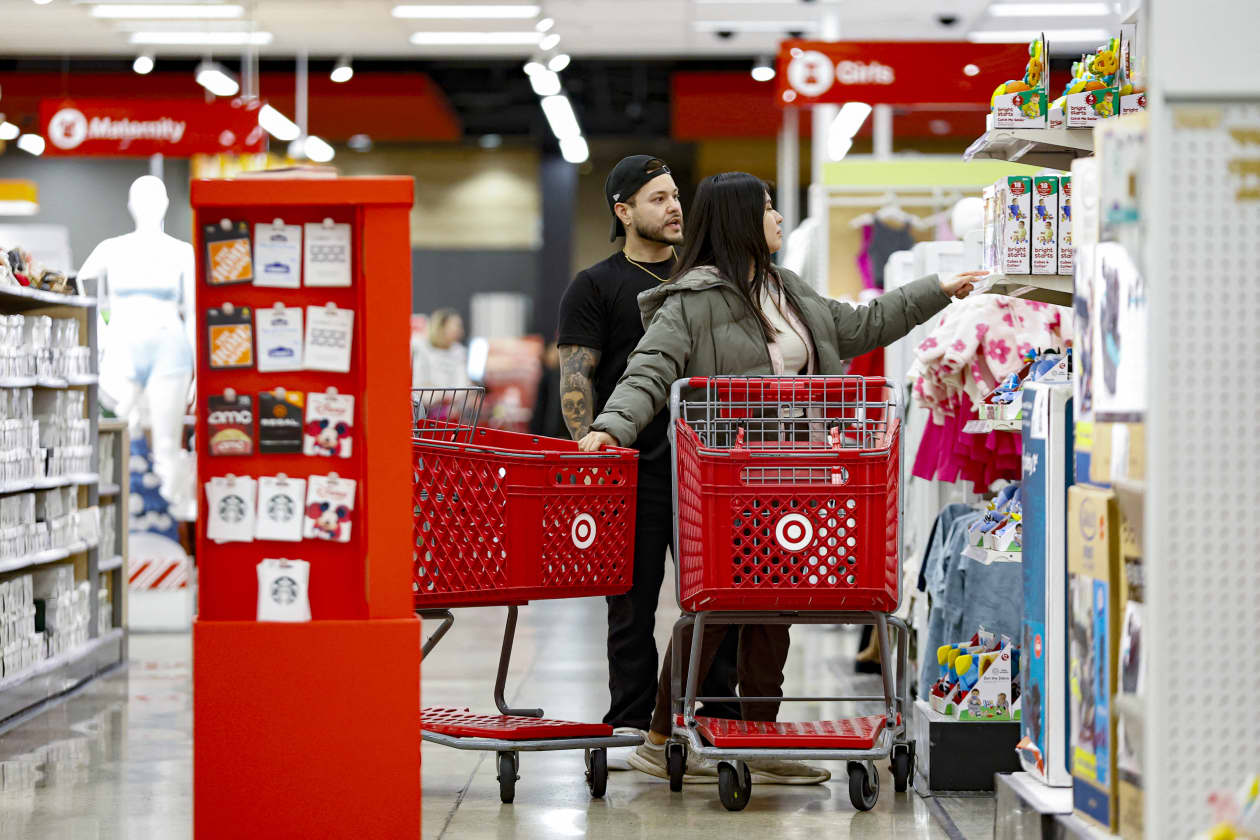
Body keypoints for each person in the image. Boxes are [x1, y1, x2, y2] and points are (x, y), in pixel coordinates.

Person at [578, 171, 985, 783]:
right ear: (742, 219)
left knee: (779, 604)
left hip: (799, 473)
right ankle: (661, 734)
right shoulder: (691, 301)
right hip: (725, 481)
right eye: (767, 209)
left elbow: (861, 325)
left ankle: (759, 736)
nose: (776, 219)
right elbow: (648, 370)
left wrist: (937, 289)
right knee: (718, 606)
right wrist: (611, 427)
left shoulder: (787, 289)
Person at [557, 155, 741, 780]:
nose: (673, 208)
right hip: (631, 472)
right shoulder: (597, 284)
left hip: (705, 470)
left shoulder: (705, 281)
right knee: (632, 606)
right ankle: (633, 721)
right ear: (623, 210)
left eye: (675, 196)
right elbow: (576, 379)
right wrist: (594, 457)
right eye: (657, 198)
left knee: (714, 600)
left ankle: (713, 715)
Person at [412, 308, 469, 388]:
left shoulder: (460, 351)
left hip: (456, 399)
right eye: (457, 326)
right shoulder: (420, 348)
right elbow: (419, 382)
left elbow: (463, 384)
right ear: (441, 326)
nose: (460, 330)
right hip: (427, 399)